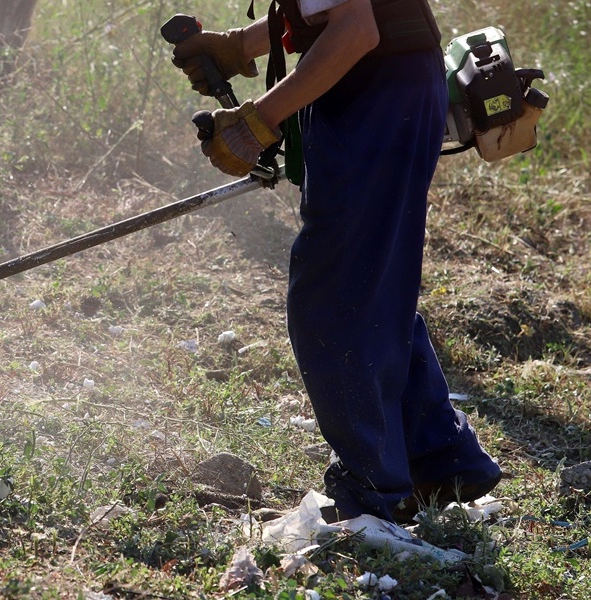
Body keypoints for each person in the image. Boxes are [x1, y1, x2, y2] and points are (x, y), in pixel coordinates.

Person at [171, 0, 501, 522]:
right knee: (373, 280)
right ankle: (441, 459)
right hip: (390, 91)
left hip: (373, 97)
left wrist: (258, 119)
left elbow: (353, 31)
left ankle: (373, 495)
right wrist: (241, 45)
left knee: (335, 300)